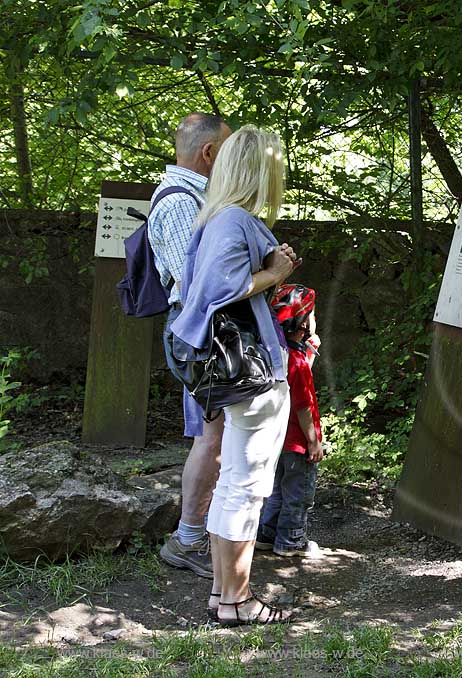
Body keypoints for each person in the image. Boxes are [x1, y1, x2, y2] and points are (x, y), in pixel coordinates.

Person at [171, 125, 300, 625]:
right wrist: (275, 275)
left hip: (236, 372)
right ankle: (237, 602)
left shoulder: (214, 218)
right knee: (244, 487)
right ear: (262, 171)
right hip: (250, 373)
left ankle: (224, 597)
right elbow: (217, 291)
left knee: (234, 483)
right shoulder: (231, 221)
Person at [152, 113, 233, 579]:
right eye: (228, 152)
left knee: (213, 437)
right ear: (208, 154)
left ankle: (202, 532)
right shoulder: (184, 203)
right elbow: (199, 283)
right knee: (211, 440)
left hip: (202, 332)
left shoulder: (192, 198)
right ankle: (187, 539)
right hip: (200, 334)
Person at [256, 284, 325, 558]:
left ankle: (267, 534)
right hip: (298, 443)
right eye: (313, 316)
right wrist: (314, 441)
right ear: (303, 322)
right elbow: (303, 404)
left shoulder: (279, 356)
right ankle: (291, 541)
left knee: (276, 492)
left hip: (276, 440)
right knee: (299, 495)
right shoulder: (297, 361)